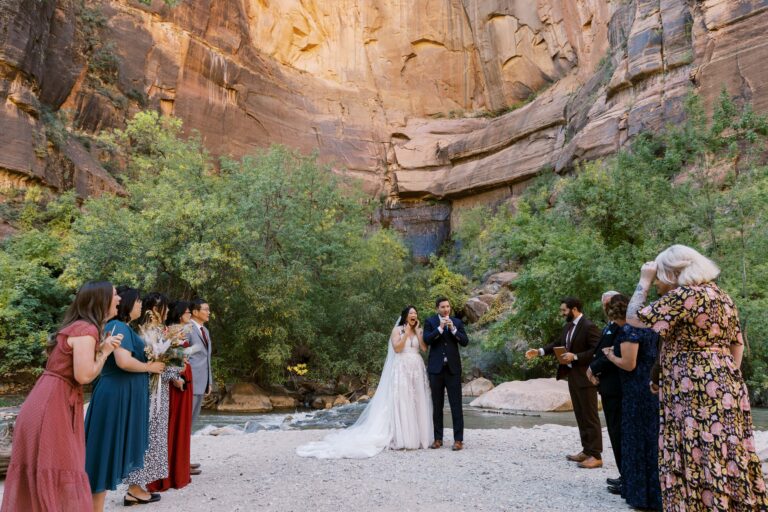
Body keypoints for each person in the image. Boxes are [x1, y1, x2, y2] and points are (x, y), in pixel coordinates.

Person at [627, 244, 768, 510]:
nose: (657, 281)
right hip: (727, 384)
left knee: (692, 449)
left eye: (660, 275)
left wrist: (643, 281)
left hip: (691, 387)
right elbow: (737, 344)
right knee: (725, 449)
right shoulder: (722, 296)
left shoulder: (683, 296)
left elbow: (633, 317)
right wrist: (727, 381)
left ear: (672, 272)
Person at [1, 282, 122, 512]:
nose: (119, 299)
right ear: (102, 299)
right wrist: (105, 352)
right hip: (52, 404)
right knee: (62, 465)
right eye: (115, 295)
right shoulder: (87, 330)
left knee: (52, 467)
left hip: (48, 398)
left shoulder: (79, 326)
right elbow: (84, 375)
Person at [296, 306, 434, 458]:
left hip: (416, 367)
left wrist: (417, 332)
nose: (414, 315)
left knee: (416, 400)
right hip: (401, 367)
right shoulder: (397, 330)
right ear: (405, 316)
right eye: (411, 313)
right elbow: (397, 349)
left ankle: (418, 437)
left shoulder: (419, 331)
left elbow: (423, 348)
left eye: (415, 313)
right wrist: (407, 332)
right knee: (402, 400)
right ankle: (403, 437)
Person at [85, 286, 166, 511]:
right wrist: (150, 366)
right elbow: (123, 361)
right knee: (103, 452)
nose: (141, 305)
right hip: (116, 397)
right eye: (138, 301)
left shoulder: (122, 326)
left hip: (121, 394)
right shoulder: (118, 325)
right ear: (128, 304)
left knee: (106, 453)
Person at [601, 295, 662, 510]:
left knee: (635, 439)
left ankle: (639, 494)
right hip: (649, 386)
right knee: (651, 438)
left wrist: (610, 356)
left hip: (635, 390)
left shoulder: (630, 331)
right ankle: (655, 492)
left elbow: (628, 364)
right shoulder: (653, 328)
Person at [526, 296, 602, 468]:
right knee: (580, 415)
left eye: (564, 310)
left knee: (590, 416)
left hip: (587, 377)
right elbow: (557, 344)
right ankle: (586, 450)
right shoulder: (568, 326)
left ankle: (596, 455)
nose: (562, 313)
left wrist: (575, 356)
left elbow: (597, 351)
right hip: (573, 376)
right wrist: (538, 352)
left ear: (574, 309)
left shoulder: (589, 327)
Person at [125, 293, 182, 497]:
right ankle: (134, 487)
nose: (167, 312)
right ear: (157, 309)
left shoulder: (156, 330)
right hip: (150, 390)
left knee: (154, 436)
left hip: (159, 389)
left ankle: (140, 485)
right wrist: (175, 371)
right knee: (146, 437)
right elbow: (153, 363)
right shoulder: (148, 332)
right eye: (165, 308)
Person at [149, 301, 195, 492]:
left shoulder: (177, 330)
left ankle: (179, 468)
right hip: (175, 378)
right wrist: (176, 375)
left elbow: (179, 355)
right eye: (187, 312)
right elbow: (168, 357)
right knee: (174, 423)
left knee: (181, 424)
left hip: (183, 374)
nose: (190, 314)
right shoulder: (170, 330)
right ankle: (172, 472)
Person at [587, 291, 623, 492]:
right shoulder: (610, 325)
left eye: (608, 303)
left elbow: (613, 351)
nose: (605, 307)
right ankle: (622, 473)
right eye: (604, 304)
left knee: (618, 431)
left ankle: (627, 476)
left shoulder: (620, 327)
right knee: (613, 430)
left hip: (615, 384)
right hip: (607, 384)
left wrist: (594, 368)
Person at [423, 297, 469, 451]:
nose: (446, 309)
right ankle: (438, 439)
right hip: (436, 370)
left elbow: (464, 341)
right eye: (443, 307)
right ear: (437, 308)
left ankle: (458, 440)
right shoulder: (430, 322)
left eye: (448, 306)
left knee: (456, 405)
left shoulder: (457, 322)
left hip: (453, 370)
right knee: (437, 406)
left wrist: (454, 330)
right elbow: (427, 340)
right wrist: (440, 328)